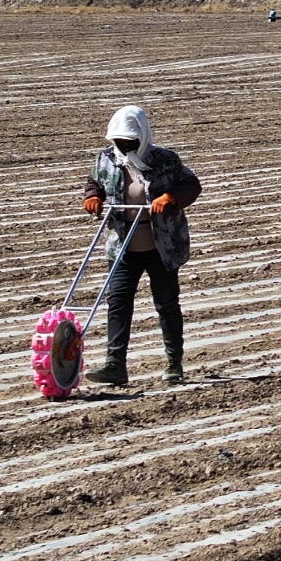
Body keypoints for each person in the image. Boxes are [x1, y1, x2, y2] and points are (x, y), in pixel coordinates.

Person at [81, 105, 203, 385]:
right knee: (118, 304)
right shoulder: (107, 159)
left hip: (161, 246)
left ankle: (174, 364)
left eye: (130, 141)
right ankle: (115, 365)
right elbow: (95, 181)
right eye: (120, 141)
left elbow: (191, 185)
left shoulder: (165, 160)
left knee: (166, 304)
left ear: (143, 136)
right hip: (123, 246)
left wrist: (170, 197)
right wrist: (92, 195)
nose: (125, 146)